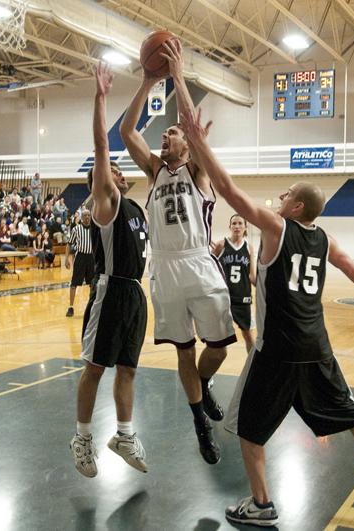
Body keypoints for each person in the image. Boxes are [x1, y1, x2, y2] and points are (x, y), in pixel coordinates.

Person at [179, 106, 354, 527]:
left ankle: (261, 503)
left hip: (276, 352)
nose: (280, 197)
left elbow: (227, 189)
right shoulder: (324, 238)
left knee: (248, 430)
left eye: (286, 194)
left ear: (295, 206)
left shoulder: (275, 227)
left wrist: (200, 143)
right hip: (317, 349)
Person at [121, 38, 235, 464]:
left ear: (187, 144)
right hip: (165, 269)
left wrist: (178, 75)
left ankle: (204, 385)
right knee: (183, 351)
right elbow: (127, 132)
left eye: (172, 133)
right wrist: (148, 82)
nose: (167, 135)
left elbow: (188, 119)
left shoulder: (197, 168)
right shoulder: (153, 169)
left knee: (220, 347)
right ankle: (199, 424)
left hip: (200, 263)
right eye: (165, 133)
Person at [69, 63, 150, 478]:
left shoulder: (137, 208)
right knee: (96, 368)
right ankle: (82, 437)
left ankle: (123, 434)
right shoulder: (108, 202)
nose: (118, 169)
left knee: (129, 368)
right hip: (110, 290)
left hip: (135, 293)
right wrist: (101, 97)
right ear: (101, 183)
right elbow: (102, 147)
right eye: (111, 171)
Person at [213, 214, 256, 354]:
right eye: (234, 223)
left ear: (245, 227)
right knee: (219, 338)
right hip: (223, 298)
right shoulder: (221, 245)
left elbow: (252, 275)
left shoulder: (249, 248)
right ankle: (210, 371)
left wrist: (266, 289)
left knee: (248, 336)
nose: (237, 226)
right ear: (229, 226)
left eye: (240, 223)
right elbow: (210, 268)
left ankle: (252, 369)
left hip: (243, 298)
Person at [65, 210, 94, 317]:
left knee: (92, 284)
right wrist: (66, 259)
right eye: (85, 215)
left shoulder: (94, 229)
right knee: (74, 284)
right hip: (80, 257)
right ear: (81, 217)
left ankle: (91, 307)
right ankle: (71, 307)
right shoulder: (76, 229)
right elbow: (69, 244)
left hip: (91, 258)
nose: (87, 217)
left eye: (88, 215)